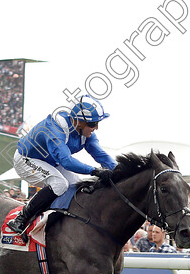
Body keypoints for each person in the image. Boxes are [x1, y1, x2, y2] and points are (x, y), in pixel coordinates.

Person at [7, 95, 116, 238]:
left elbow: (100, 155)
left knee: (78, 185)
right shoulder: (55, 129)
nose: (96, 127)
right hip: (26, 159)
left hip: (50, 162)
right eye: (93, 123)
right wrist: (95, 171)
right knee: (60, 184)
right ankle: (21, 218)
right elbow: (66, 161)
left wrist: (119, 170)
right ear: (78, 121)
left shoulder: (84, 131)